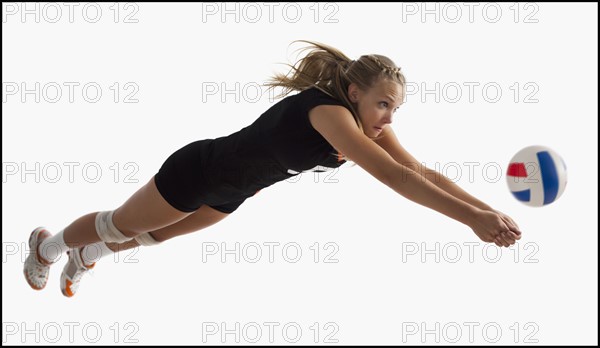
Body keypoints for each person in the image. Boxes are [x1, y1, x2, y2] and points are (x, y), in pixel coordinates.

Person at [24, 40, 522, 297]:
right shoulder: (331, 114)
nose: (389, 119)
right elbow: (396, 178)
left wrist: (487, 210)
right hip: (198, 170)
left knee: (157, 237)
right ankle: (48, 246)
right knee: (121, 224)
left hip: (233, 192)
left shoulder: (368, 126)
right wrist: (470, 221)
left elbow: (422, 172)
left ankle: (91, 255)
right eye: (384, 105)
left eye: (396, 110)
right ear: (355, 94)